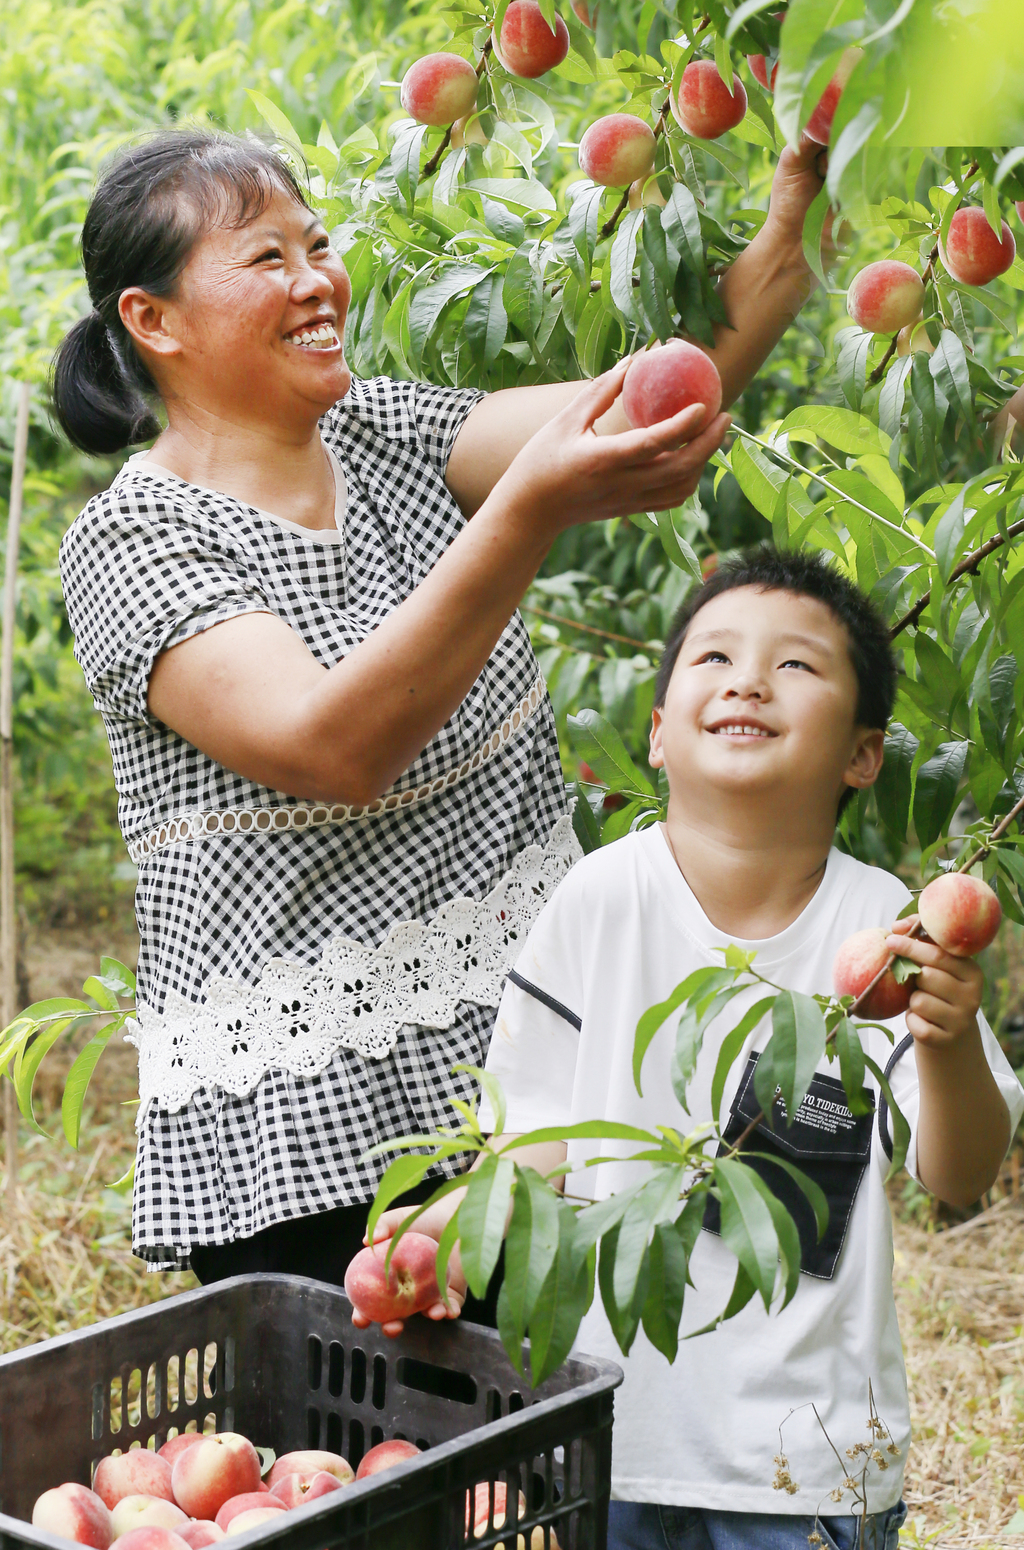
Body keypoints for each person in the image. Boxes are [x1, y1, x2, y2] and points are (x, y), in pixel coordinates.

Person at [54, 124, 829, 1289]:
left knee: (554, 1437)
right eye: (267, 258)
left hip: (526, 1049)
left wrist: (802, 194)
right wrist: (522, 516)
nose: (318, 280)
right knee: (373, 1457)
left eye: (317, 245)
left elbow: (648, 401)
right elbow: (332, 744)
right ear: (152, 321)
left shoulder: (385, 429)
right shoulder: (136, 539)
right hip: (314, 1128)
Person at [361, 548, 1024, 1549]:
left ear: (862, 754)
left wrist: (946, 1035)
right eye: (712, 655)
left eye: (797, 665)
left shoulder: (885, 930)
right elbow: (530, 1141)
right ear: (660, 731)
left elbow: (957, 1171)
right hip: (609, 1430)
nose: (749, 678)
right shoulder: (598, 901)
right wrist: (442, 1230)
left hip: (809, 1460)